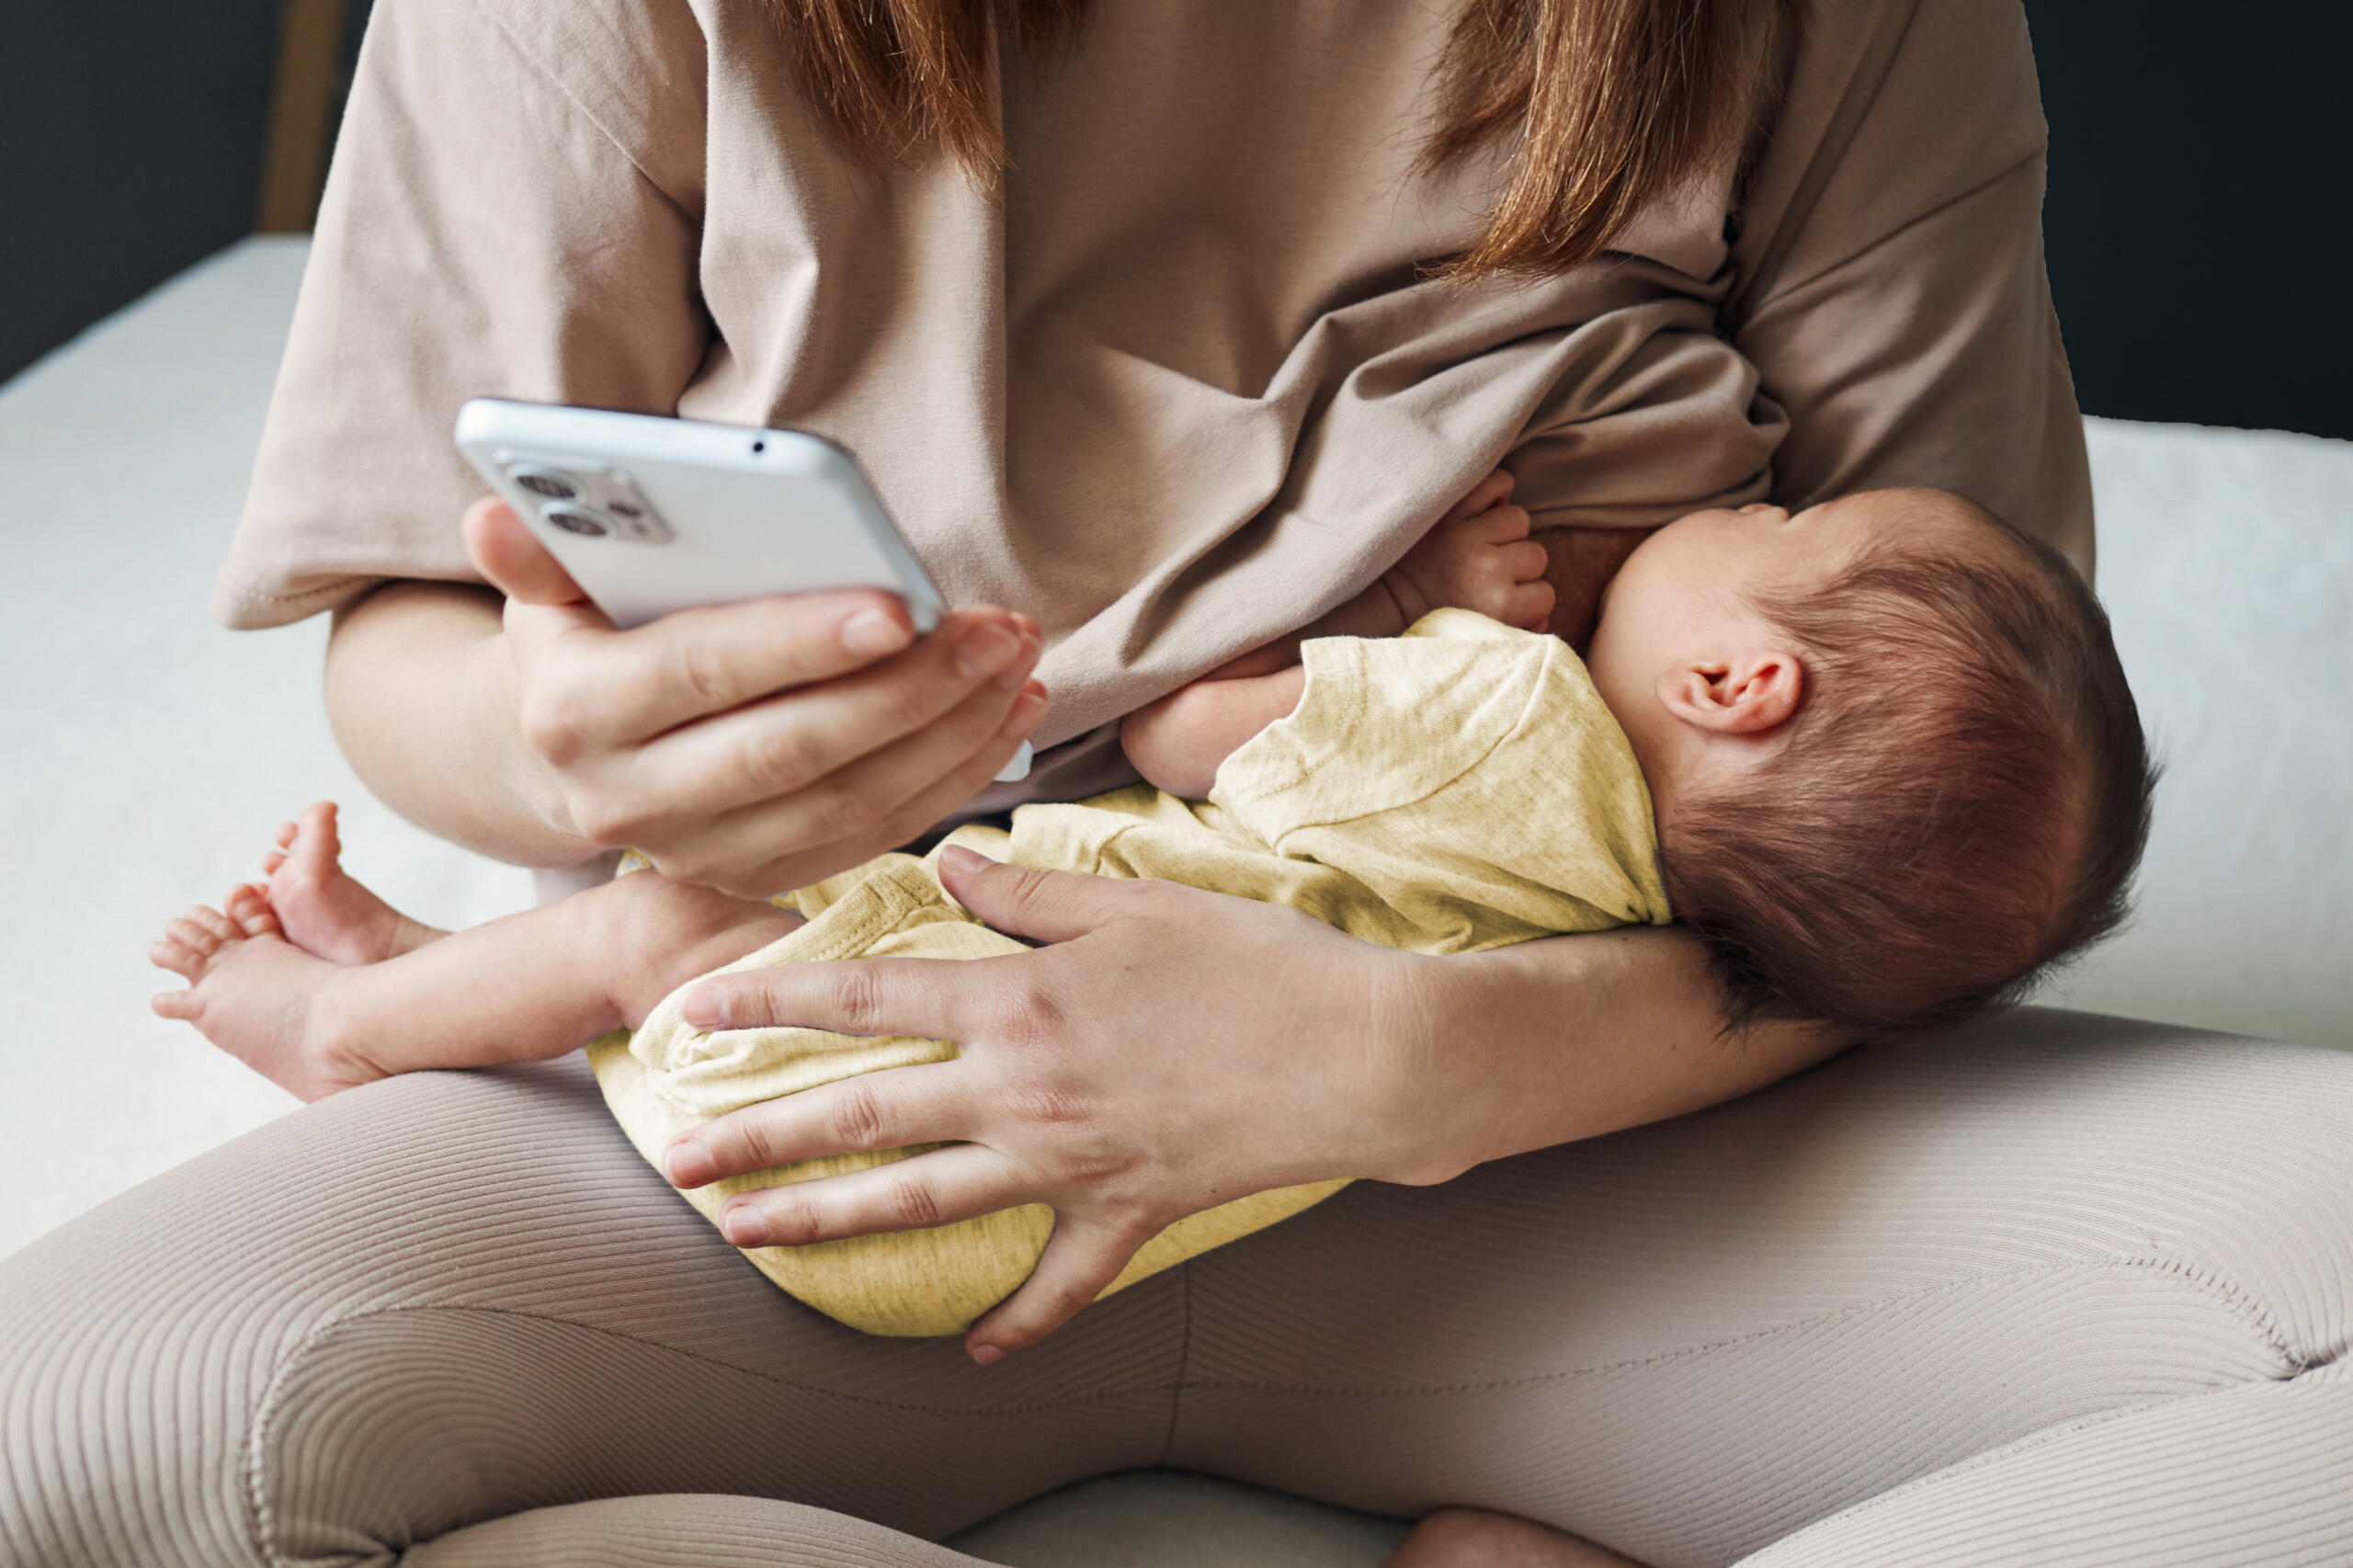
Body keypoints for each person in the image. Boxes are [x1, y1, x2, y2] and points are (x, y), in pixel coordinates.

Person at [5, 1, 2347, 1565]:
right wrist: (543, 738)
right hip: (839, 1105)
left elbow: (1949, 829)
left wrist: (1417, 1054)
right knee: (90, 1435)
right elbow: (403, 631)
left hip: (1614, 1127)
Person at [145, 482, 2151, 1353]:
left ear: (1739, 682)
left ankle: (362, 1020)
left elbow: (1198, 735)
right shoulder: (1642, 902)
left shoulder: (1492, 711)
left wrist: (1400, 611)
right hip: (1022, 1247)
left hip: (873, 1117)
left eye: (1784, 528)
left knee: (680, 922)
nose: (1757, 512)